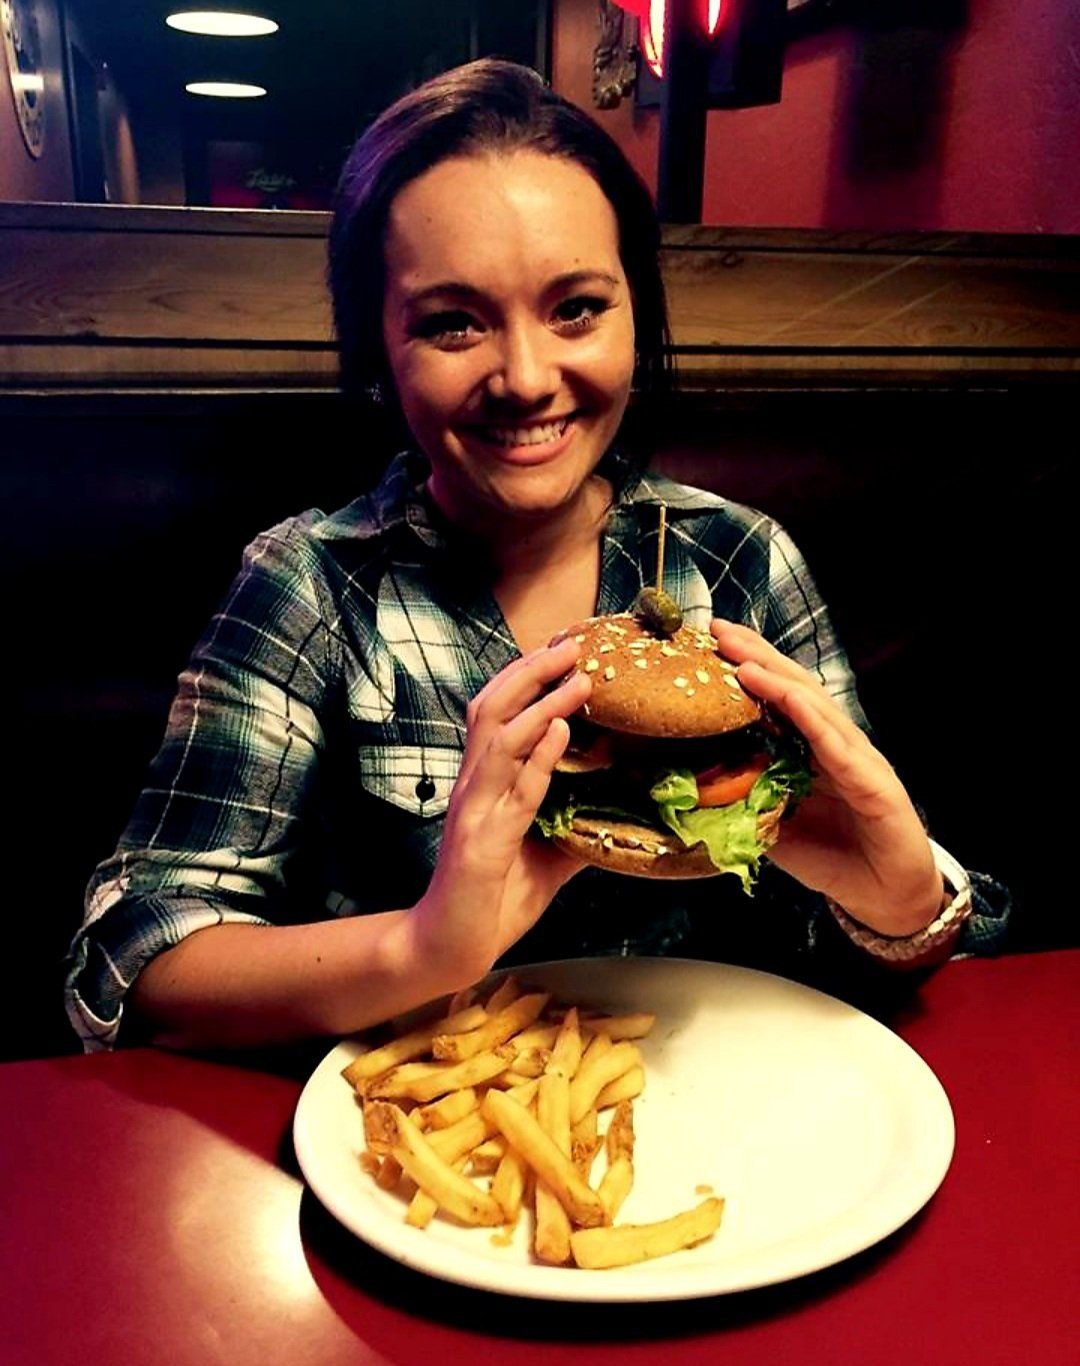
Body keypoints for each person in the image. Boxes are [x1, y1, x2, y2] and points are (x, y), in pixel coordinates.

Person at [64, 60, 1009, 1053]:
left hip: (730, 1116)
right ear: (380, 351)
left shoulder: (740, 560)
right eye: (452, 323)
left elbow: (866, 931)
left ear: (637, 320)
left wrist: (904, 899)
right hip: (426, 1135)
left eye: (577, 309)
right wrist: (426, 945)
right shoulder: (313, 584)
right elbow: (140, 953)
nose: (524, 378)